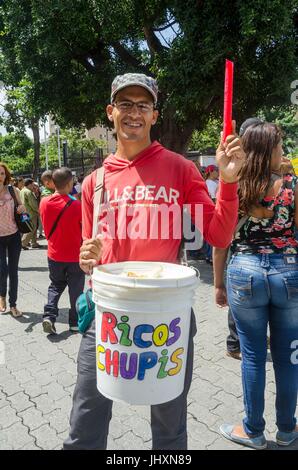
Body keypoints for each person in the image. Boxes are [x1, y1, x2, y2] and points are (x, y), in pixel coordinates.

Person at [63, 72, 245, 450]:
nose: (134, 113)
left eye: (142, 105)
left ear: (154, 115)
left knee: (169, 428)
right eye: (125, 104)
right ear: (110, 112)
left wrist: (228, 182)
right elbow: (88, 252)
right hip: (106, 317)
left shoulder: (180, 169)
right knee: (85, 424)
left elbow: (218, 235)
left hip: (167, 317)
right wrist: (86, 257)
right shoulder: (94, 181)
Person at [214, 122, 298, 449]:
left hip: (244, 272)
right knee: (289, 356)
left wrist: (218, 283)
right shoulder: (292, 186)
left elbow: (221, 241)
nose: (282, 151)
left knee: (251, 356)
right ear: (267, 149)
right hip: (288, 272)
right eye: (278, 146)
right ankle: (288, 429)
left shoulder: (236, 188)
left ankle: (253, 431)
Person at [215, 118, 264, 361]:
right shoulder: (240, 172)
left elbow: (221, 237)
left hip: (241, 256)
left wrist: (217, 282)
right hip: (252, 255)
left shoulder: (241, 174)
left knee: (240, 300)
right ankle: (236, 341)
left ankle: (238, 342)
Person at [39, 167, 85, 334]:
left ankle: (49, 316)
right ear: (69, 183)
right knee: (76, 290)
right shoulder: (76, 205)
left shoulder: (44, 202)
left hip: (54, 255)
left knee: (55, 285)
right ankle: (74, 323)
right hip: (74, 255)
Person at [0, 162, 26, 317]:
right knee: (2, 270)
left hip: (14, 236)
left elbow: (22, 208)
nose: (0, 176)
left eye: (2, 173)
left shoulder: (13, 190)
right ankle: (2, 297)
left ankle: (13, 304)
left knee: (13, 271)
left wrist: (22, 209)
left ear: (6, 175)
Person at [20, 178, 41, 250]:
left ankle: (34, 243)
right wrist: (39, 211)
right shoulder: (28, 192)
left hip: (25, 212)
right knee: (31, 228)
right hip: (31, 213)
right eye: (32, 184)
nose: (33, 186)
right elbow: (33, 204)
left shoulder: (22, 191)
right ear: (29, 184)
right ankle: (23, 243)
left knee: (31, 228)